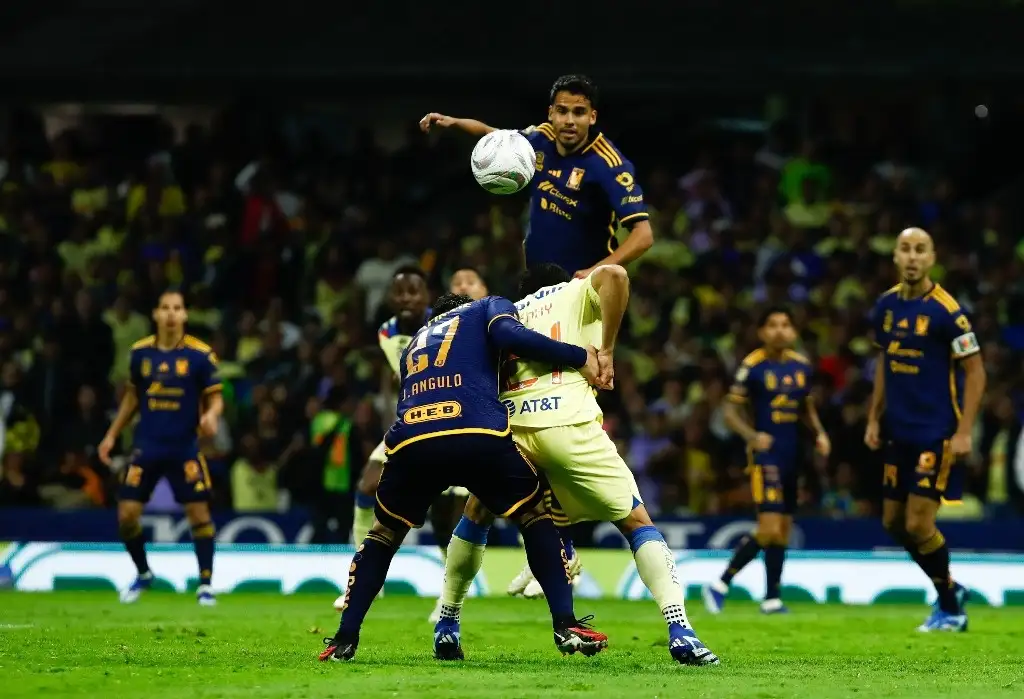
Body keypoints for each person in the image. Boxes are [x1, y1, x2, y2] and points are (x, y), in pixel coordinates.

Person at [420, 74, 655, 590]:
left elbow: (643, 233)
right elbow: (499, 139)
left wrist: (596, 270)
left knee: (555, 410)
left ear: (593, 116)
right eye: (561, 111)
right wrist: (457, 123)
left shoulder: (608, 166)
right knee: (528, 410)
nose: (568, 121)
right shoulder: (542, 140)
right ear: (551, 112)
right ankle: (560, 545)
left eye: (579, 113)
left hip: (580, 302)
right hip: (534, 295)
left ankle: (565, 542)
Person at [432, 263, 719, 666]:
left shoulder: (503, 312)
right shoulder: (573, 292)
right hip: (566, 421)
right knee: (636, 522)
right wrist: (607, 350)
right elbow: (617, 275)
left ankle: (447, 621)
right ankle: (680, 630)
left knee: (477, 510)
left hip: (513, 429)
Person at [319, 292, 609, 662]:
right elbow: (509, 334)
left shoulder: (415, 344)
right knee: (534, 513)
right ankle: (566, 624)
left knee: (383, 535)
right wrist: (579, 355)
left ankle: (344, 639)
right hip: (476, 431)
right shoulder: (486, 305)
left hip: (413, 439)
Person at [865, 227, 985, 632]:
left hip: (937, 431)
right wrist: (873, 416)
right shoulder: (884, 306)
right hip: (898, 430)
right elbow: (884, 362)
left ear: (931, 257)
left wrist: (965, 430)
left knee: (918, 524)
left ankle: (950, 606)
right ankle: (950, 588)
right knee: (892, 524)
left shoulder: (948, 311)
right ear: (895, 256)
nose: (912, 257)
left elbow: (976, 370)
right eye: (905, 249)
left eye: (920, 250)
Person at [98, 290, 223, 606]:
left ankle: (205, 584)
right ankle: (143, 574)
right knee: (126, 514)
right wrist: (112, 435)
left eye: (177, 308)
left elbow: (216, 398)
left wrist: (210, 415)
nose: (170, 314)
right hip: (147, 445)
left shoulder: (201, 355)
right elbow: (131, 398)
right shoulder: (140, 354)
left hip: (184, 447)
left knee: (198, 513)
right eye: (165, 307)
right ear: (155, 314)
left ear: (184, 315)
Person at [702, 307, 830, 615]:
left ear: (794, 332)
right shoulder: (752, 366)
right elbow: (730, 411)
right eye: (772, 325)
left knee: (783, 528)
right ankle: (720, 583)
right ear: (761, 332)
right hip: (766, 455)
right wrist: (751, 436)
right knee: (770, 527)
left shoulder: (802, 367)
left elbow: (806, 408)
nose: (779, 331)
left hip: (793, 454)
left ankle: (771, 598)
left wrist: (820, 434)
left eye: (785, 324)